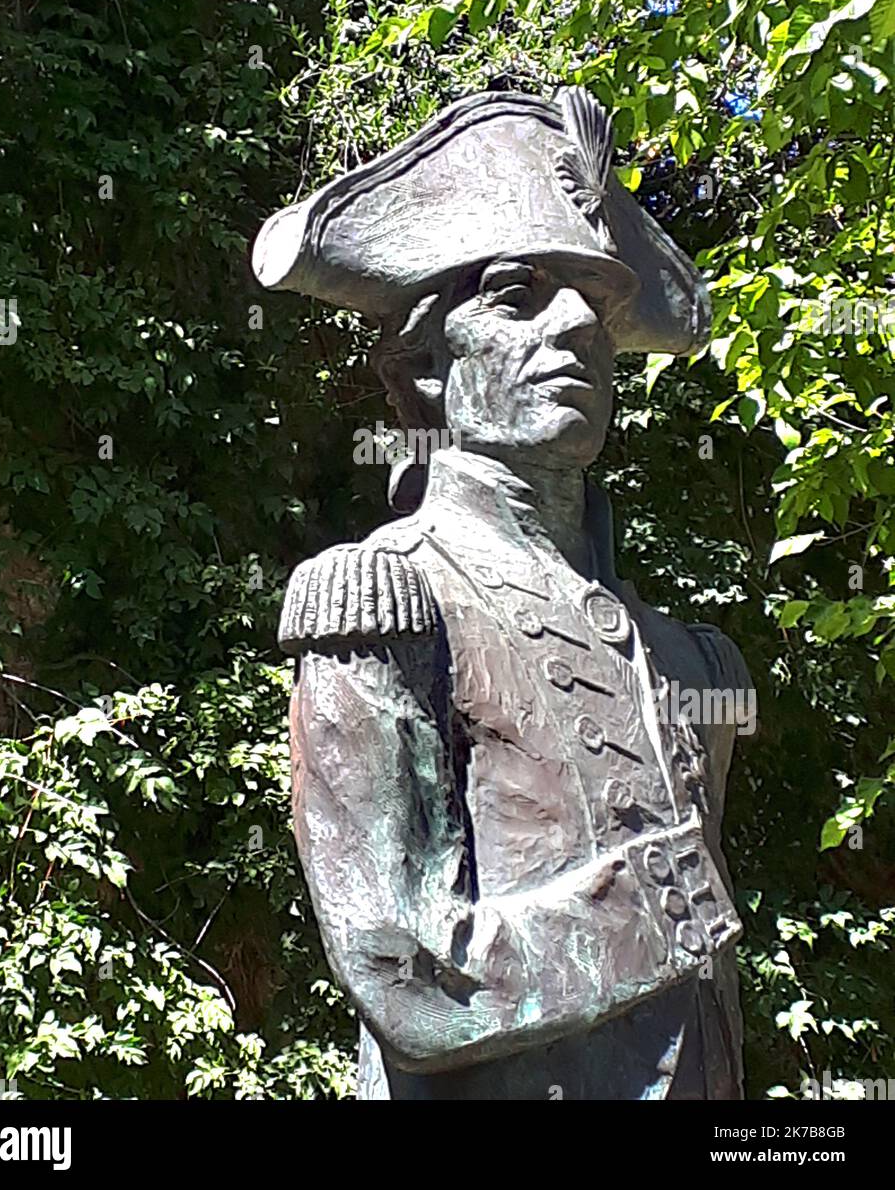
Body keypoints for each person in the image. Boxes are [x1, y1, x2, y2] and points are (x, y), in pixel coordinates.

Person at [252, 87, 753, 1100]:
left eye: (599, 307)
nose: (577, 323)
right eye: (518, 293)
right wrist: (652, 907)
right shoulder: (388, 608)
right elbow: (405, 973)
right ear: (426, 369)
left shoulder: (691, 659)